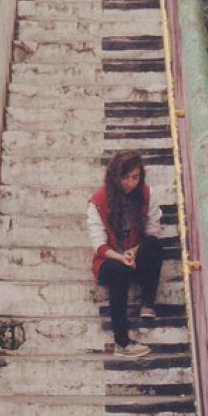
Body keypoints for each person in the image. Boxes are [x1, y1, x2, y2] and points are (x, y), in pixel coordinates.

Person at [88, 150, 163, 358]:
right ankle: (122, 343)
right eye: (125, 177)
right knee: (119, 272)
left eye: (135, 177)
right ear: (115, 176)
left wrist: (134, 250)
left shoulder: (147, 194)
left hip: (135, 257)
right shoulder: (98, 201)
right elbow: (98, 245)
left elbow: (153, 229)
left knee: (154, 244)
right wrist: (121, 257)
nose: (131, 182)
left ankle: (147, 303)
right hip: (110, 262)